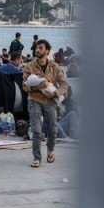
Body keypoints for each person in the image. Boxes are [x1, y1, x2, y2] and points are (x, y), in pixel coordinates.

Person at [22, 39, 68, 168]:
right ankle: (37, 158)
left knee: (53, 130)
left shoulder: (54, 66)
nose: (37, 50)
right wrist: (39, 86)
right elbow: (24, 86)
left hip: (50, 100)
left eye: (41, 48)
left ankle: (51, 150)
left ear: (47, 51)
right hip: (34, 99)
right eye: (36, 48)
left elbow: (64, 84)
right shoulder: (29, 66)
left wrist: (55, 94)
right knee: (36, 131)